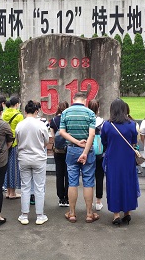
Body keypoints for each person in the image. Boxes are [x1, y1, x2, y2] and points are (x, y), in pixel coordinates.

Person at [59, 92, 98, 223]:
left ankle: (72, 213)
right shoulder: (90, 113)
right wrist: (85, 152)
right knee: (88, 182)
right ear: (85, 100)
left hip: (71, 149)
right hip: (88, 150)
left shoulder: (65, 113)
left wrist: (75, 142)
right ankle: (88, 214)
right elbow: (92, 135)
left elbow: (62, 132)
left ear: (73, 99)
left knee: (72, 181)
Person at [101, 99, 139, 225]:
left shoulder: (107, 125)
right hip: (128, 159)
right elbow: (134, 141)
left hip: (113, 159)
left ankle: (116, 215)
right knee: (128, 183)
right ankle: (127, 212)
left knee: (114, 185)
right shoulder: (131, 124)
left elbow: (104, 142)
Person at [15, 101, 49, 225]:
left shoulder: (20, 125)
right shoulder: (41, 125)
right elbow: (46, 141)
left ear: (25, 111)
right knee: (39, 187)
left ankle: (24, 215)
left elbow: (17, 140)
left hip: (23, 157)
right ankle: (40, 215)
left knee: (25, 186)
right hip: (38, 158)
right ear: (36, 111)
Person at [2, 96, 23, 199]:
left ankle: (7, 191)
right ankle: (13, 192)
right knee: (14, 168)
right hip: (14, 143)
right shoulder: (19, 116)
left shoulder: (4, 114)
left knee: (6, 167)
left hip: (4, 144)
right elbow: (21, 131)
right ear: (17, 104)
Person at [49, 101, 70, 207]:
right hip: (68, 149)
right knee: (68, 173)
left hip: (57, 151)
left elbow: (53, 136)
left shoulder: (53, 120)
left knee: (59, 174)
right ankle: (67, 197)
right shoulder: (68, 119)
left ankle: (61, 197)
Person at [88, 99, 105, 211]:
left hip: (88, 150)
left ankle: (88, 202)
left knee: (88, 177)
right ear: (98, 109)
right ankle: (98, 202)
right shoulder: (102, 122)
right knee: (99, 176)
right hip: (100, 152)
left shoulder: (87, 120)